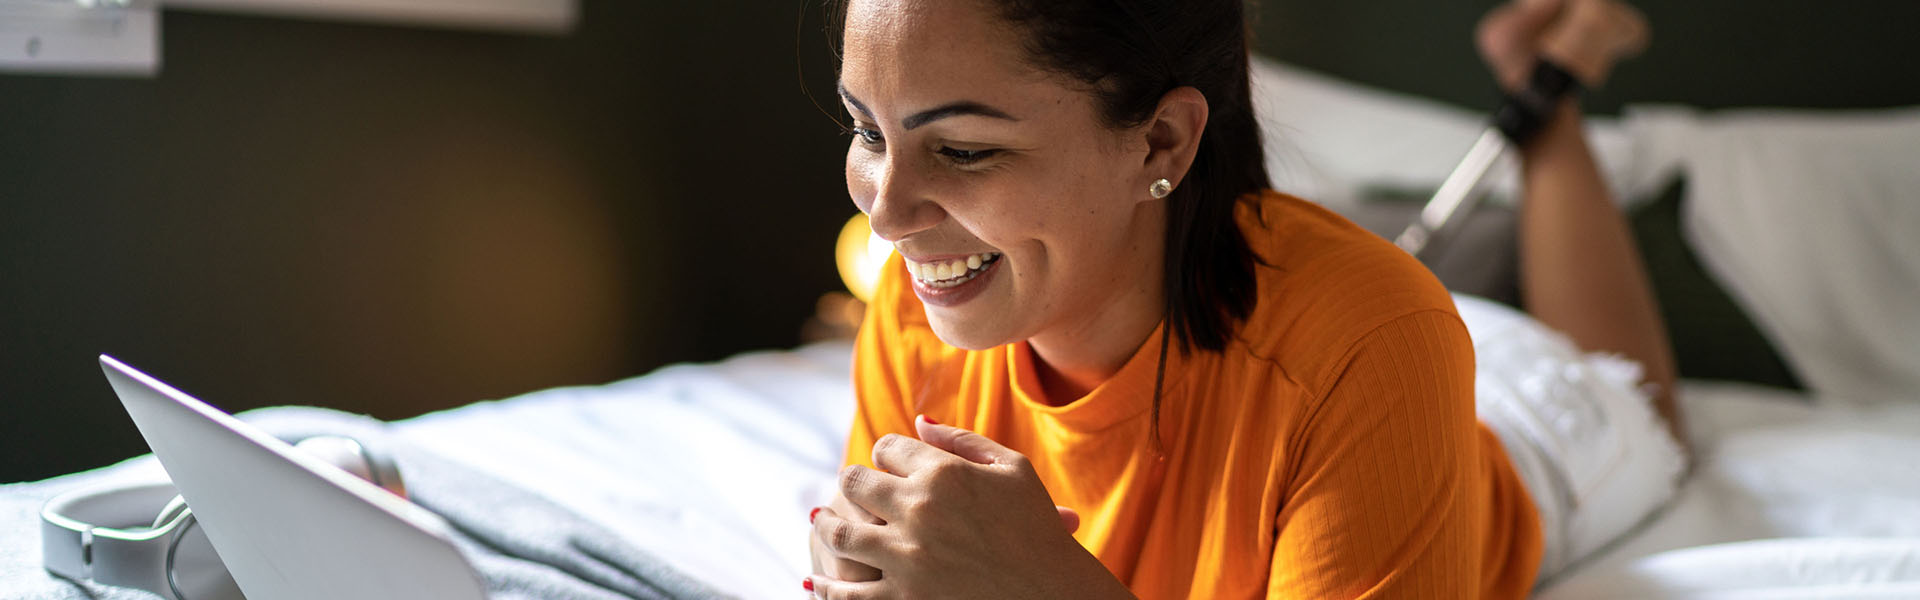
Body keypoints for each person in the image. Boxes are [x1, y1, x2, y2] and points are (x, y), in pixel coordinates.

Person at [806, 0, 1684, 597]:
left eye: (962, 150)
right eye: (868, 129)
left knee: (1630, 398)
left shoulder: (1378, 341)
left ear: (1159, 142)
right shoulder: (917, 307)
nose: (886, 214)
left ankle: (1551, 93)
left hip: (1504, 423)